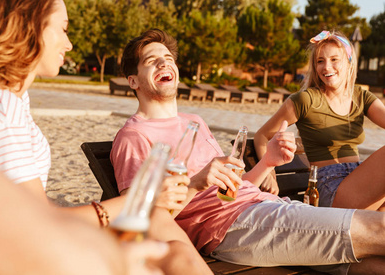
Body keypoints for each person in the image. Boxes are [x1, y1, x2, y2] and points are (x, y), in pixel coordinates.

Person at [0, 0, 209, 274]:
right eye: (63, 29)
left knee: (161, 227)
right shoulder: (1, 108)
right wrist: (141, 197)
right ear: (29, 27)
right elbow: (35, 223)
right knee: (173, 252)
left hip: (17, 239)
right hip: (16, 253)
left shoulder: (7, 98)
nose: (69, 43)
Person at [111, 28, 385, 274]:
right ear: (133, 81)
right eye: (152, 60)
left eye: (168, 58)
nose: (164, 62)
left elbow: (230, 192)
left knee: (375, 267)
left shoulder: (194, 121)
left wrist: (268, 161)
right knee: (379, 228)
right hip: (232, 227)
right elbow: (139, 218)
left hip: (268, 210)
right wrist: (196, 182)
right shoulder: (134, 135)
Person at [254, 30, 385, 211]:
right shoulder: (305, 100)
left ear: (349, 62)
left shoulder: (361, 97)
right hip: (329, 186)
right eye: (320, 61)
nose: (326, 67)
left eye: (334, 60)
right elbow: (261, 135)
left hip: (358, 178)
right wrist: (268, 172)